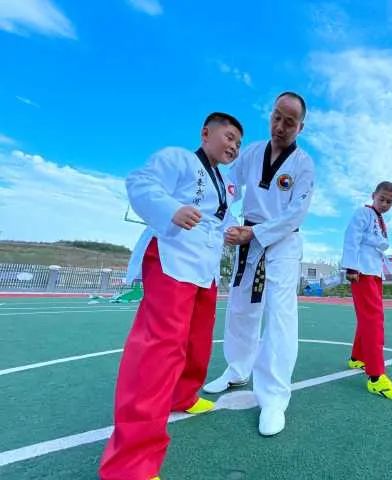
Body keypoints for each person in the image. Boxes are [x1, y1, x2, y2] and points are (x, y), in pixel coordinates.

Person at [99, 113, 243, 480]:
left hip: (205, 267)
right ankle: (129, 466)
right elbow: (140, 183)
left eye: (238, 143)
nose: (233, 146)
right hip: (172, 257)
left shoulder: (226, 185)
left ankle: (183, 395)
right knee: (159, 350)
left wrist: (234, 233)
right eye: (229, 137)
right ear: (206, 133)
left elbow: (220, 221)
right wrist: (171, 210)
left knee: (197, 342)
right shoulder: (177, 158)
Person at [203, 92, 314, 437]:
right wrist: (223, 219)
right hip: (247, 239)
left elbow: (296, 213)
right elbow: (229, 188)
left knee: (280, 316)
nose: (280, 126)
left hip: (281, 242)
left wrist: (256, 233)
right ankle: (237, 370)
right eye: (276, 117)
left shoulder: (304, 165)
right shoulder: (252, 153)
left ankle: (274, 398)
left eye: (289, 122)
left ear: (300, 127)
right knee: (240, 308)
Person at [342, 181, 392, 401]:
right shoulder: (364, 213)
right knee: (374, 320)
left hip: (374, 272)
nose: (385, 204)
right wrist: (351, 267)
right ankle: (376, 376)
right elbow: (352, 237)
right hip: (362, 271)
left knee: (368, 318)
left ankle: (357, 357)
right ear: (373, 195)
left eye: (390, 201)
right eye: (382, 199)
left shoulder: (380, 220)